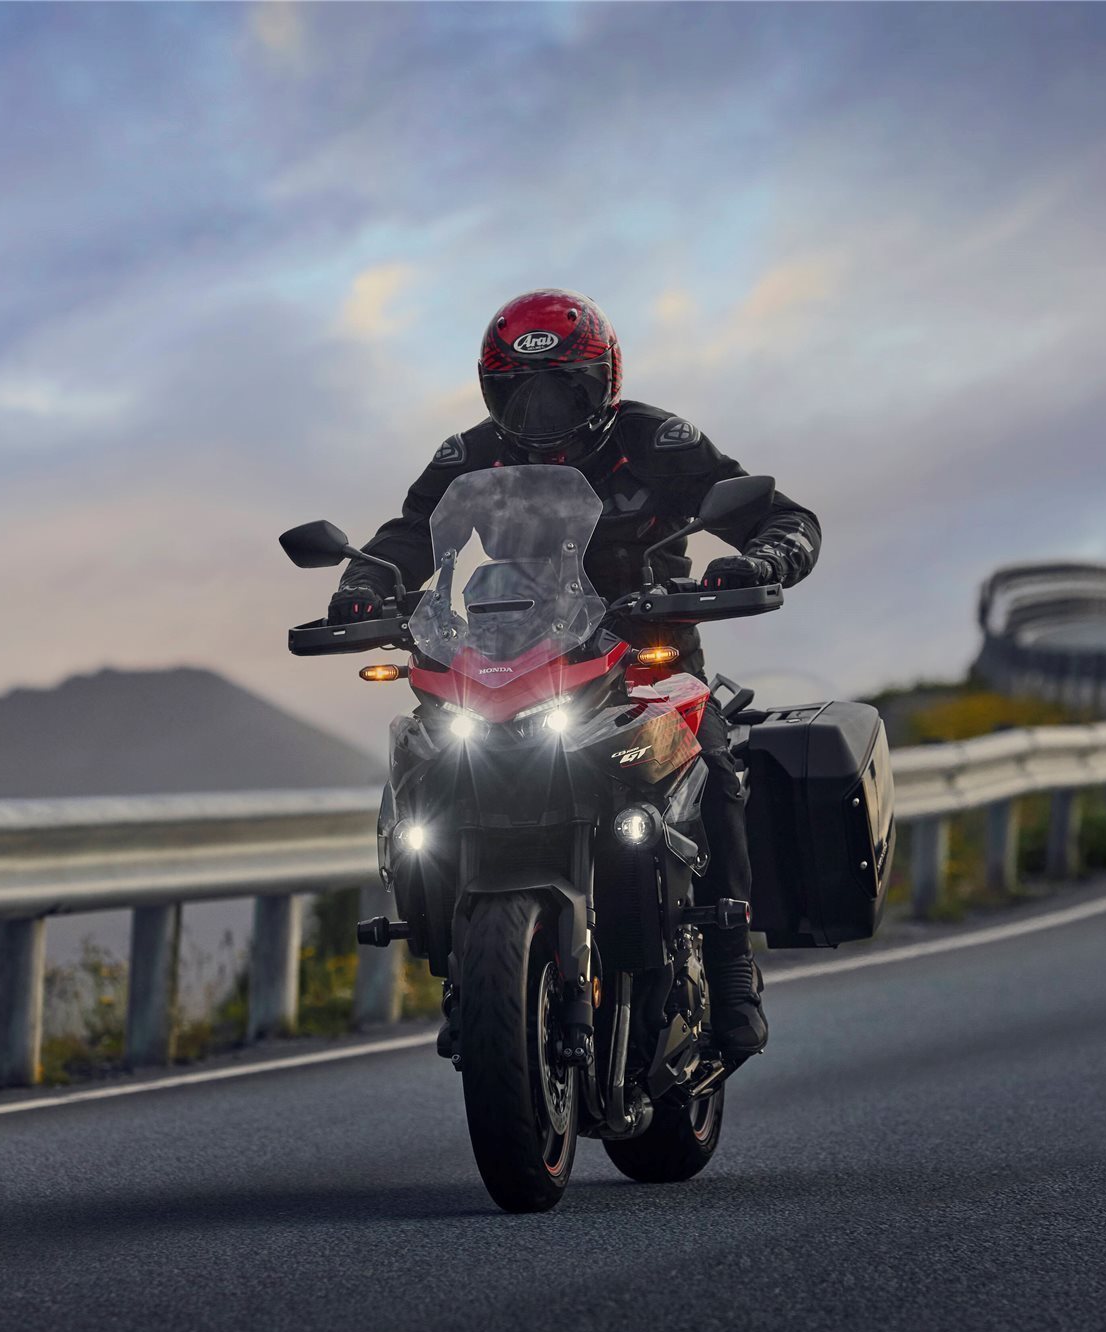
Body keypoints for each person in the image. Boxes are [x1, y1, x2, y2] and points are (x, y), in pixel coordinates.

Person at [327, 288, 821, 1060]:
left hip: (645, 656)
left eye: (561, 390)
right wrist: (365, 583)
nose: (541, 411)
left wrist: (760, 560)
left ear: (603, 381)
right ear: (493, 392)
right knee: (426, 754)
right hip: (510, 659)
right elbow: (408, 535)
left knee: (713, 758)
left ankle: (730, 968)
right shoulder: (470, 457)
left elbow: (783, 517)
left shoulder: (656, 442)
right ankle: (463, 967)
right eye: (519, 393)